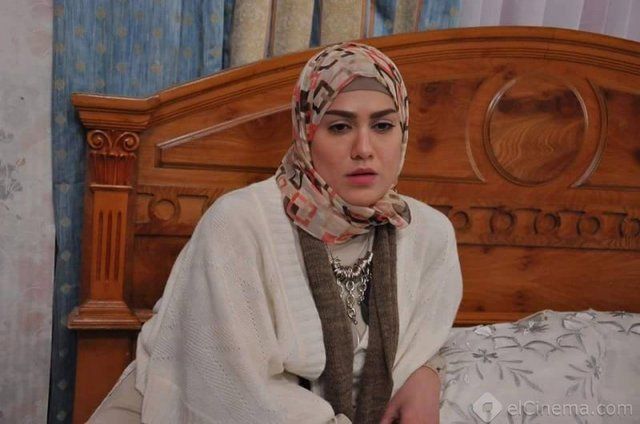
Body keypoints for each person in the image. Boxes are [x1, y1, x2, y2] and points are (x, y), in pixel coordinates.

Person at [88, 41, 462, 424]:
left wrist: (427, 371)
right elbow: (229, 387)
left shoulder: (428, 235)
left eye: (383, 126)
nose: (364, 149)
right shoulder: (239, 222)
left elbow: (422, 341)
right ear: (306, 133)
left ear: (403, 131)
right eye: (339, 127)